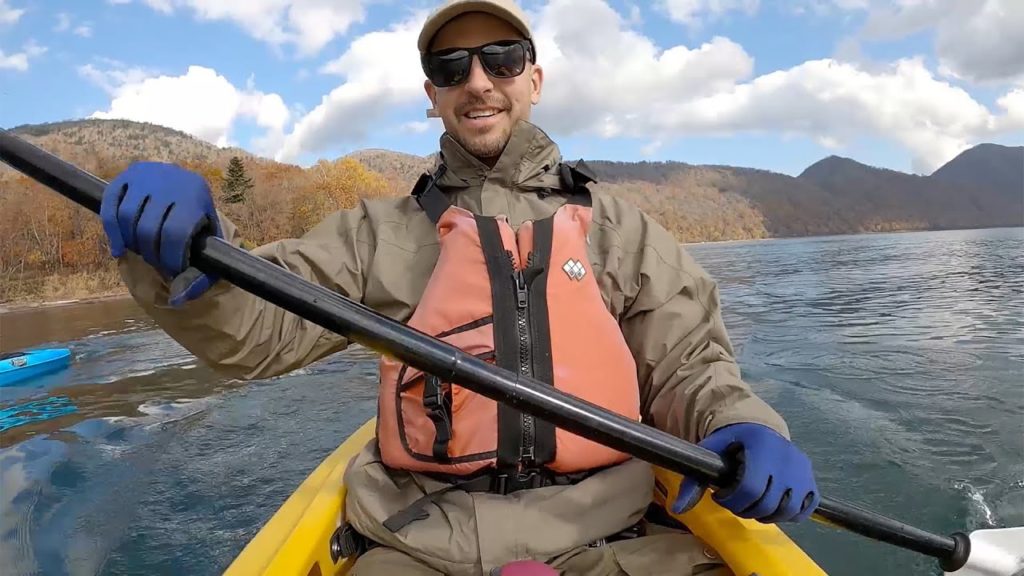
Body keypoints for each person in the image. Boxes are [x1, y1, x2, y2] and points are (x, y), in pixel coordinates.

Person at [99, 0, 820, 574]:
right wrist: (187, 257)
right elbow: (253, 333)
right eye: (451, 67)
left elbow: (689, 363)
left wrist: (741, 420)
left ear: (533, 81)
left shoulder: (616, 228)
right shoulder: (376, 234)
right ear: (432, 96)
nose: (478, 80)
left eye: (502, 59)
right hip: (418, 547)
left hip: (614, 538)